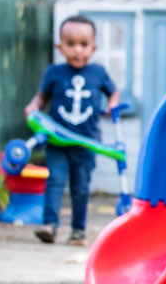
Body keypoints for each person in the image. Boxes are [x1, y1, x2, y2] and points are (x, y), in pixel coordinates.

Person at [23, 15, 118, 247]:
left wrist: (112, 105)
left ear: (93, 48)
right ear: (60, 47)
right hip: (57, 139)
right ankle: (49, 225)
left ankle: (78, 231)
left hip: (86, 141)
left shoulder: (99, 72)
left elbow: (113, 92)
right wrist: (34, 106)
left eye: (84, 45)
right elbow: (42, 97)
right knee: (55, 180)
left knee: (80, 187)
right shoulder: (54, 73)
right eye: (71, 44)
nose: (78, 50)